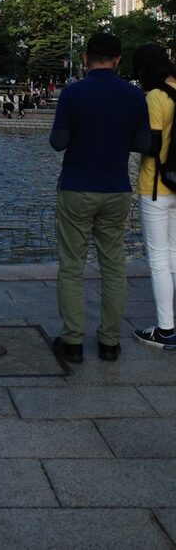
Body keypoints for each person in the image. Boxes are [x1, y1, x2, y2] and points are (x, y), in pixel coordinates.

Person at [49, 32, 150, 364]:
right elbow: (144, 145)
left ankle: (73, 342)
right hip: (117, 189)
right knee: (114, 266)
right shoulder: (134, 95)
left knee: (71, 266)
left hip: (77, 186)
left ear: (85, 58)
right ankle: (109, 342)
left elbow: (58, 143)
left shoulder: (73, 93)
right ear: (118, 59)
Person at [131, 43, 176, 349]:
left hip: (156, 186)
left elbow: (151, 145)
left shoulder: (155, 97)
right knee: (174, 255)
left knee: (159, 259)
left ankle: (165, 329)